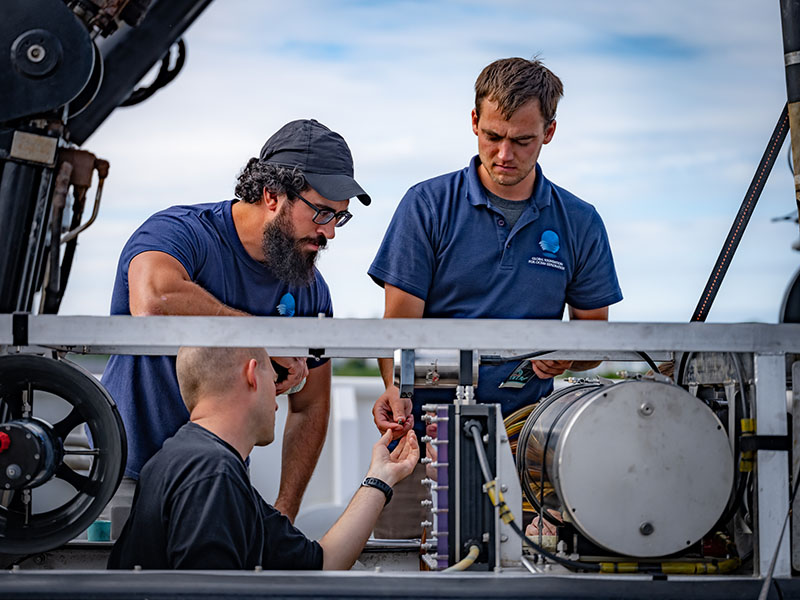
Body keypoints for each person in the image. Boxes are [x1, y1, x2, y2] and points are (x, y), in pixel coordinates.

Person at [367, 57, 623, 537]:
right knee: (410, 565)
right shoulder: (426, 205)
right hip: (423, 442)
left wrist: (566, 359)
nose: (504, 153)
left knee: (534, 570)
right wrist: (397, 392)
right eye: (492, 136)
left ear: (549, 132)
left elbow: (592, 339)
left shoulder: (580, 221)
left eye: (522, 140)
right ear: (473, 123)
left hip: (530, 445)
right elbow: (398, 327)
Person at [101, 119, 370, 525]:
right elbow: (154, 300)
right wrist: (261, 341)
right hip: (123, 478)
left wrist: (285, 510)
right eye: (321, 212)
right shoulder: (179, 233)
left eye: (339, 218)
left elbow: (310, 405)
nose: (329, 232)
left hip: (222, 484)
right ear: (272, 194)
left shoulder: (311, 289)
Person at [108, 347, 419, 570]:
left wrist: (381, 477)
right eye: (275, 379)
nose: (278, 396)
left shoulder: (188, 460)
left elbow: (322, 562)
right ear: (252, 375)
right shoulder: (212, 474)